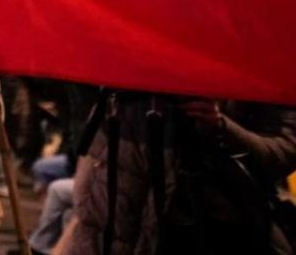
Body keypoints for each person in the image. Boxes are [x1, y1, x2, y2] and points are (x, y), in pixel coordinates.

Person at [55, 96, 296, 255]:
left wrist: (222, 127)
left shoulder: (266, 56)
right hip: (120, 203)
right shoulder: (125, 77)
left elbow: (284, 151)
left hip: (210, 224)